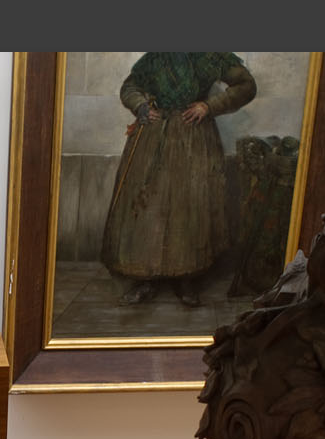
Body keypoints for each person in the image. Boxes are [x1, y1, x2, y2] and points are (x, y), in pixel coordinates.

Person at [102, 52, 258, 306]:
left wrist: (209, 106)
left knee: (188, 207)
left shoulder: (211, 55)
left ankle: (187, 279)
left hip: (193, 139)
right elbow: (130, 87)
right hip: (152, 140)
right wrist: (141, 105)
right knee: (148, 209)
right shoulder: (155, 57)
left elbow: (247, 86)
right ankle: (147, 279)